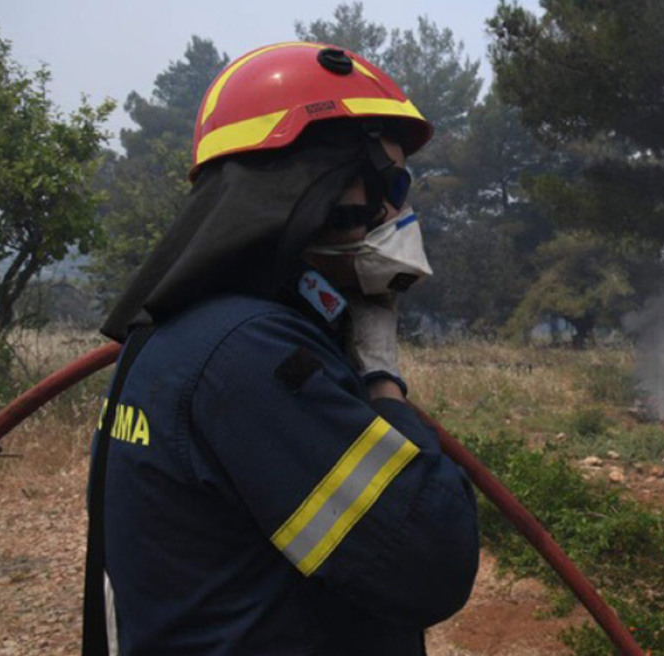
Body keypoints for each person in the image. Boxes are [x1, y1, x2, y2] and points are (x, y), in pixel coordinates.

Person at [87, 42, 479, 656]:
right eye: (393, 182)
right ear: (314, 184)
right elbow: (433, 561)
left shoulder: (176, 335)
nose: (399, 212)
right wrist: (382, 379)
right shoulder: (253, 356)